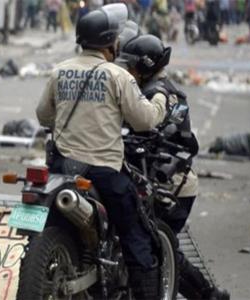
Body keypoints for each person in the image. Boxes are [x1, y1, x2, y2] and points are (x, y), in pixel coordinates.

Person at [36, 4, 168, 299]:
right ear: (111, 42)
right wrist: (160, 102)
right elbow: (144, 120)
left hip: (62, 167)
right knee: (137, 236)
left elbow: (43, 116)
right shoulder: (117, 76)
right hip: (103, 170)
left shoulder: (60, 71)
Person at [119, 33, 230, 300]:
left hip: (172, 185)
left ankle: (209, 295)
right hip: (151, 180)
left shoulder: (161, 94)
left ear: (146, 64)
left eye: (132, 65)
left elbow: (156, 129)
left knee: (158, 246)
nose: (128, 70)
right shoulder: (147, 90)